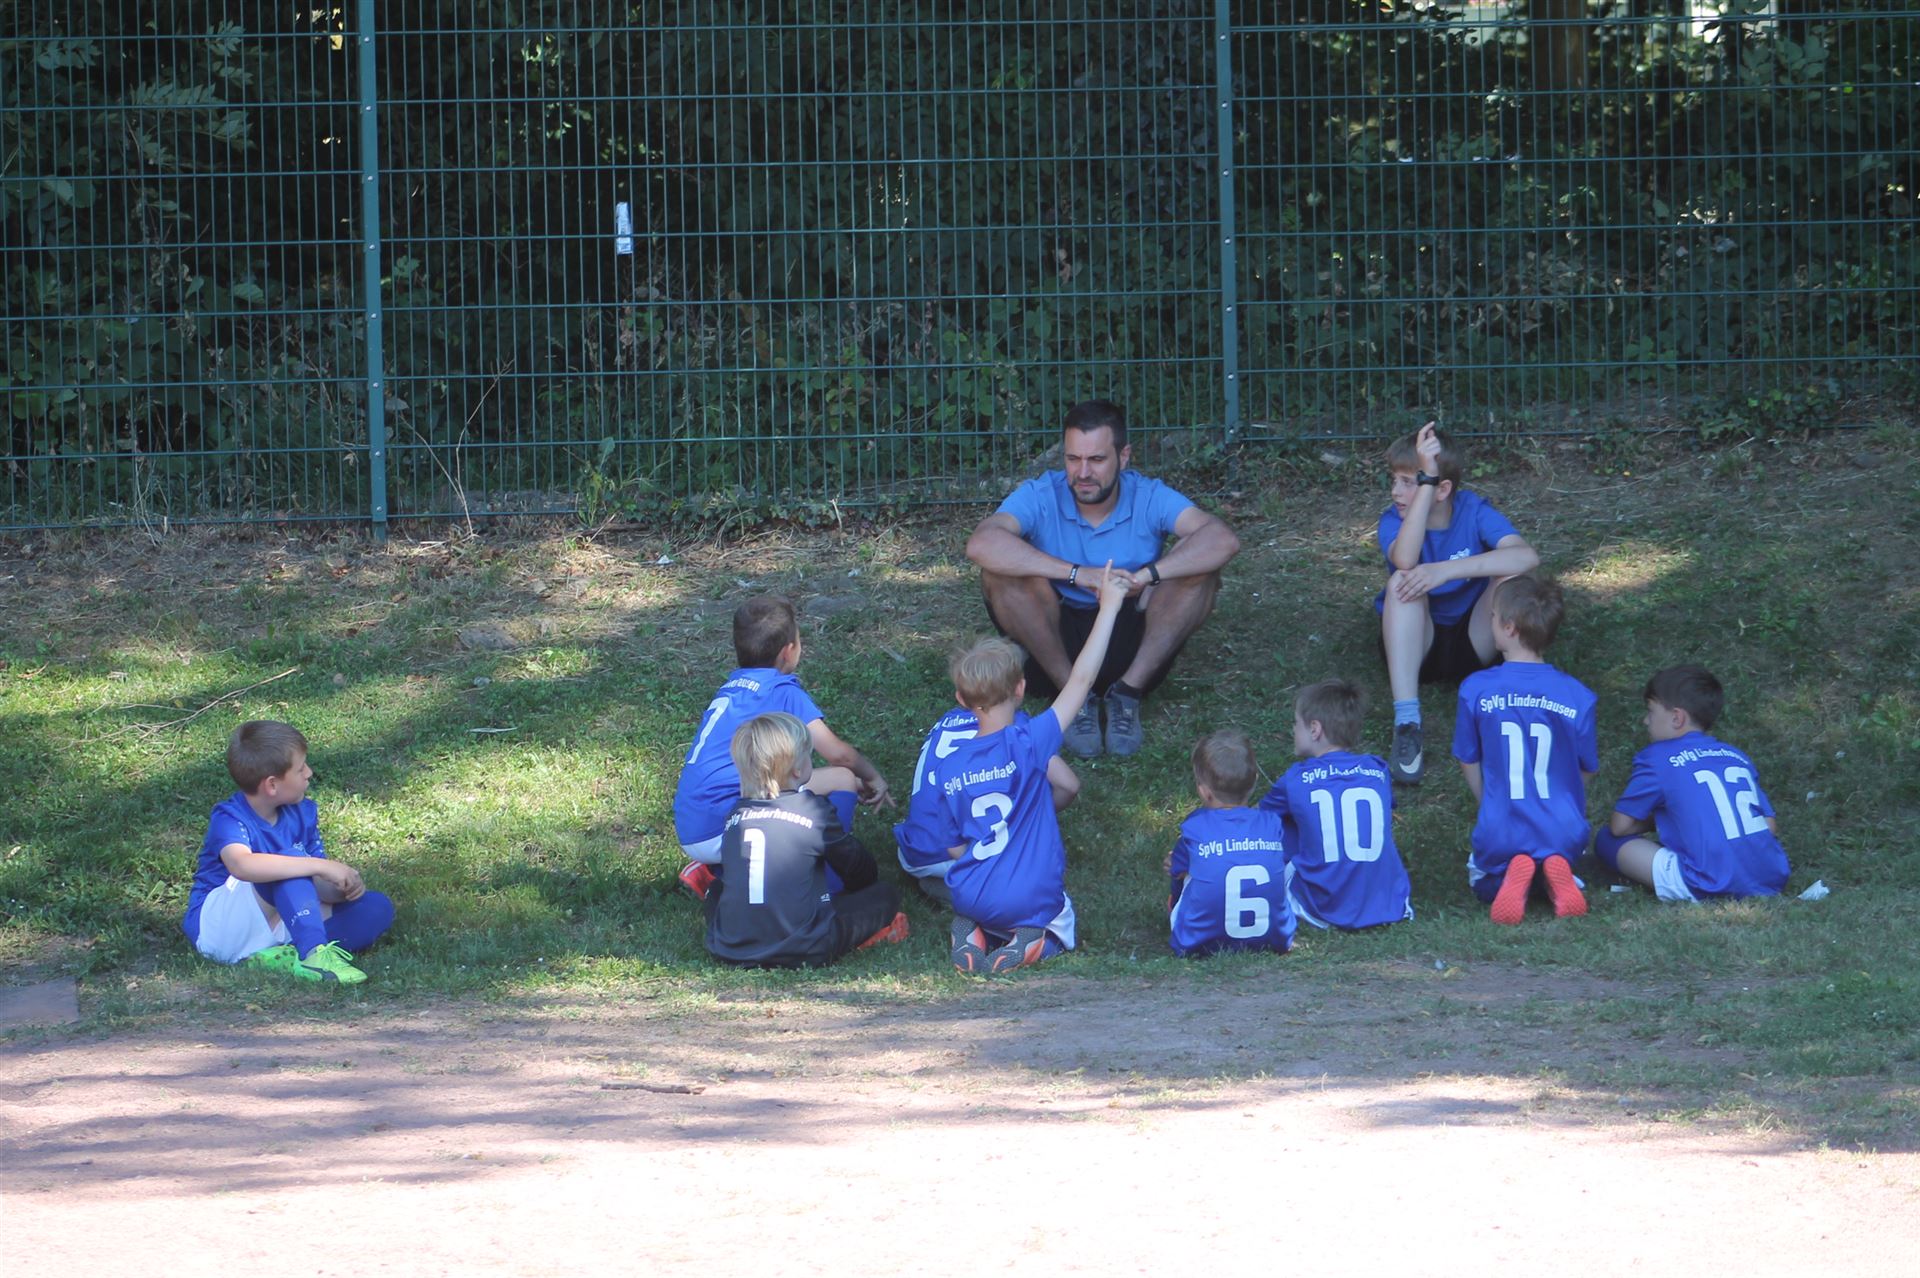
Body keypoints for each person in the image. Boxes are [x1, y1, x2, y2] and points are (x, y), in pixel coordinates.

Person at [966, 399, 1241, 758]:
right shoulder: (1041, 494)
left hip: (1131, 637)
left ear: (1123, 457)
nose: (1083, 472)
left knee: (1200, 569)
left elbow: (1222, 539)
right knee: (1001, 573)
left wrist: (1147, 576)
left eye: (1096, 459)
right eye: (1073, 459)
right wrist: (1077, 574)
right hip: (1056, 639)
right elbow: (982, 543)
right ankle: (1074, 697)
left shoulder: (1148, 495)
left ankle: (1127, 693)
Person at [938, 562, 1128, 975]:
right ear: (1021, 688)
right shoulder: (1028, 741)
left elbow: (953, 847)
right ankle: (1035, 942)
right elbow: (1080, 681)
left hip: (970, 891)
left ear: (961, 699)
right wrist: (1110, 607)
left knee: (980, 902)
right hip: (1026, 898)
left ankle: (971, 931)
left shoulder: (948, 766)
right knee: (1061, 919)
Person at [672, 595, 890, 897]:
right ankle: (828, 880)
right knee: (842, 778)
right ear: (789, 651)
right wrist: (872, 776)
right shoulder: (781, 691)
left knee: (801, 779)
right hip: (725, 824)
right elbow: (839, 754)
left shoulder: (732, 688)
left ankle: (716, 872)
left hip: (692, 824)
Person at [1376, 422, 1540, 784]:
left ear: (1443, 489)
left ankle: (1523, 698)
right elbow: (1405, 559)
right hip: (1417, 646)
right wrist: (1425, 484)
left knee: (1512, 580)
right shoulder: (1391, 521)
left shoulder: (1472, 510)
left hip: (1473, 640)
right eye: (1395, 480)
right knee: (1402, 581)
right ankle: (1407, 724)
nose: (1395, 491)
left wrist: (1445, 571)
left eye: (1408, 482)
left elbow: (1526, 557)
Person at [182, 720, 395, 983]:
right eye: (300, 768)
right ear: (272, 785)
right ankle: (313, 955)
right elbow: (241, 866)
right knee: (291, 862)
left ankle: (279, 957)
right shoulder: (229, 817)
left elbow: (313, 886)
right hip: (219, 928)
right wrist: (320, 866)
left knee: (375, 907)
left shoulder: (303, 813)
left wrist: (341, 889)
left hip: (283, 919)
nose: (309, 773)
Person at [705, 713, 909, 968]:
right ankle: (865, 935)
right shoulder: (814, 811)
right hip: (806, 949)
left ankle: (737, 930)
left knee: (716, 888)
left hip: (731, 950)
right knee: (884, 894)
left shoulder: (735, 815)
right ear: (798, 769)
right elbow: (858, 869)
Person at [1451, 576, 1598, 925]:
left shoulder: (1477, 689)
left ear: (1509, 627)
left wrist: (1489, 801)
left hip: (1502, 825)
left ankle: (1512, 875)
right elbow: (1587, 767)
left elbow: (1467, 758)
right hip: (1562, 826)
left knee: (1481, 878)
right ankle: (1554, 871)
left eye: (1492, 617)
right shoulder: (1577, 694)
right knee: (1556, 851)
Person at [1594, 665, 1790, 900]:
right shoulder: (1735, 756)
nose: (1646, 720)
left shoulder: (1656, 758)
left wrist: (1663, 820)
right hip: (1770, 877)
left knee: (1607, 839)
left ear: (1677, 717)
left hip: (1707, 884)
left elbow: (1620, 826)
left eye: (1651, 711)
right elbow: (1769, 825)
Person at [1258, 679, 1413, 930]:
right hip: (1388, 903)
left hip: (1322, 909)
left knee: (1276, 825)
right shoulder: (1378, 770)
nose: (1293, 730)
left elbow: (1259, 821)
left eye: (1296, 723)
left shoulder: (1296, 778)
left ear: (1314, 729)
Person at [893, 706, 1081, 902]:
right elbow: (1068, 786)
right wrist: (1029, 819)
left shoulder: (948, 720)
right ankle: (976, 889)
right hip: (968, 853)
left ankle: (949, 882)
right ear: (1018, 691)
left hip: (915, 851)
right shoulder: (1015, 726)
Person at [1166, 730, 1295, 957]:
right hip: (1274, 939)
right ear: (1255, 781)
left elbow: (1176, 868)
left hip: (1198, 945)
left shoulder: (1195, 827)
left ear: (1203, 791)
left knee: (1181, 868)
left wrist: (1174, 864)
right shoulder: (1272, 823)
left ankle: (1177, 912)